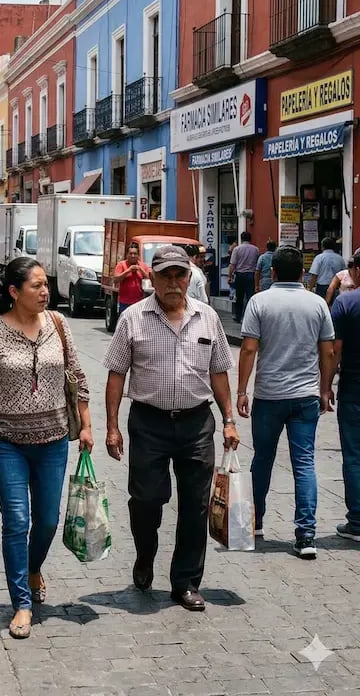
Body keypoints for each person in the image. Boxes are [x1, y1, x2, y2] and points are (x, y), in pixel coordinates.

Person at [0, 258, 92, 639]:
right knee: (16, 521)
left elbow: (77, 377)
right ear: (14, 292)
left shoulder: (58, 326)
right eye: (36, 285)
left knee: (47, 520)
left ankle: (34, 568)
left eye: (45, 284)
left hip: (52, 442)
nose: (45, 291)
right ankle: (21, 603)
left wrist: (88, 424)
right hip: (6, 443)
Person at [103, 245, 238, 612]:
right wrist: (112, 427)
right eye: (166, 275)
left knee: (195, 504)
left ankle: (186, 581)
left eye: (180, 275)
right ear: (152, 278)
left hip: (197, 422)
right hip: (148, 423)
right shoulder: (132, 318)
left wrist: (228, 419)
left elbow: (219, 372)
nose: (174, 282)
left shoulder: (208, 318)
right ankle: (145, 555)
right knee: (146, 499)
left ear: (190, 277)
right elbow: (117, 374)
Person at [237, 245, 334, 558]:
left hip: (269, 395)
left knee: (262, 459)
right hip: (305, 396)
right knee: (304, 463)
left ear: (272, 272)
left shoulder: (259, 302)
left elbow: (249, 349)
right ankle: (306, 535)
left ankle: (257, 521)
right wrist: (324, 388)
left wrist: (242, 390)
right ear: (303, 273)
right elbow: (328, 351)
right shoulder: (317, 304)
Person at [327, 253, 360, 542]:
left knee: (354, 456)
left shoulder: (346, 302)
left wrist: (326, 385)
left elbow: (334, 349)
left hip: (354, 388)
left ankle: (358, 521)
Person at [229, 232, 260, 322]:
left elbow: (232, 264)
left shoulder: (237, 249)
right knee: (250, 296)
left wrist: (229, 276)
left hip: (240, 275)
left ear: (241, 239)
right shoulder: (256, 249)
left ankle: (238, 316)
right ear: (250, 239)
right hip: (251, 274)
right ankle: (250, 316)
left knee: (239, 297)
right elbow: (257, 263)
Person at [113, 243, 150, 313]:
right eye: (130, 253)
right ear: (127, 255)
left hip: (139, 302)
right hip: (124, 302)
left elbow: (149, 280)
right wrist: (128, 271)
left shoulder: (143, 265)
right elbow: (115, 279)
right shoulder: (121, 265)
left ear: (138, 255)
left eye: (135, 254)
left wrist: (141, 270)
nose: (133, 256)